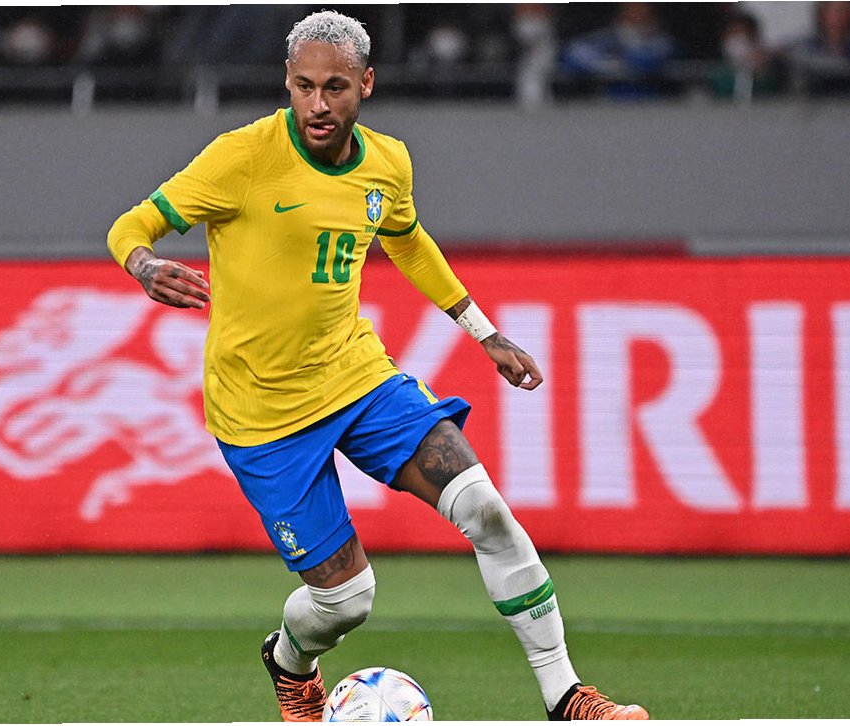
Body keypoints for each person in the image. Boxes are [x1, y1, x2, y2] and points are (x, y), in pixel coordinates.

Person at [106, 10, 648, 722]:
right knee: (346, 601)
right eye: (304, 87)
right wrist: (144, 264)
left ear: (365, 84)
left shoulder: (387, 163)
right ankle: (289, 661)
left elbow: (408, 239)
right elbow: (132, 224)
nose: (317, 104)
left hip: (356, 377)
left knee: (485, 509)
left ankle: (567, 695)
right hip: (261, 412)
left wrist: (482, 331)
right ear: (288, 82)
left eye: (334, 87)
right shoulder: (242, 157)